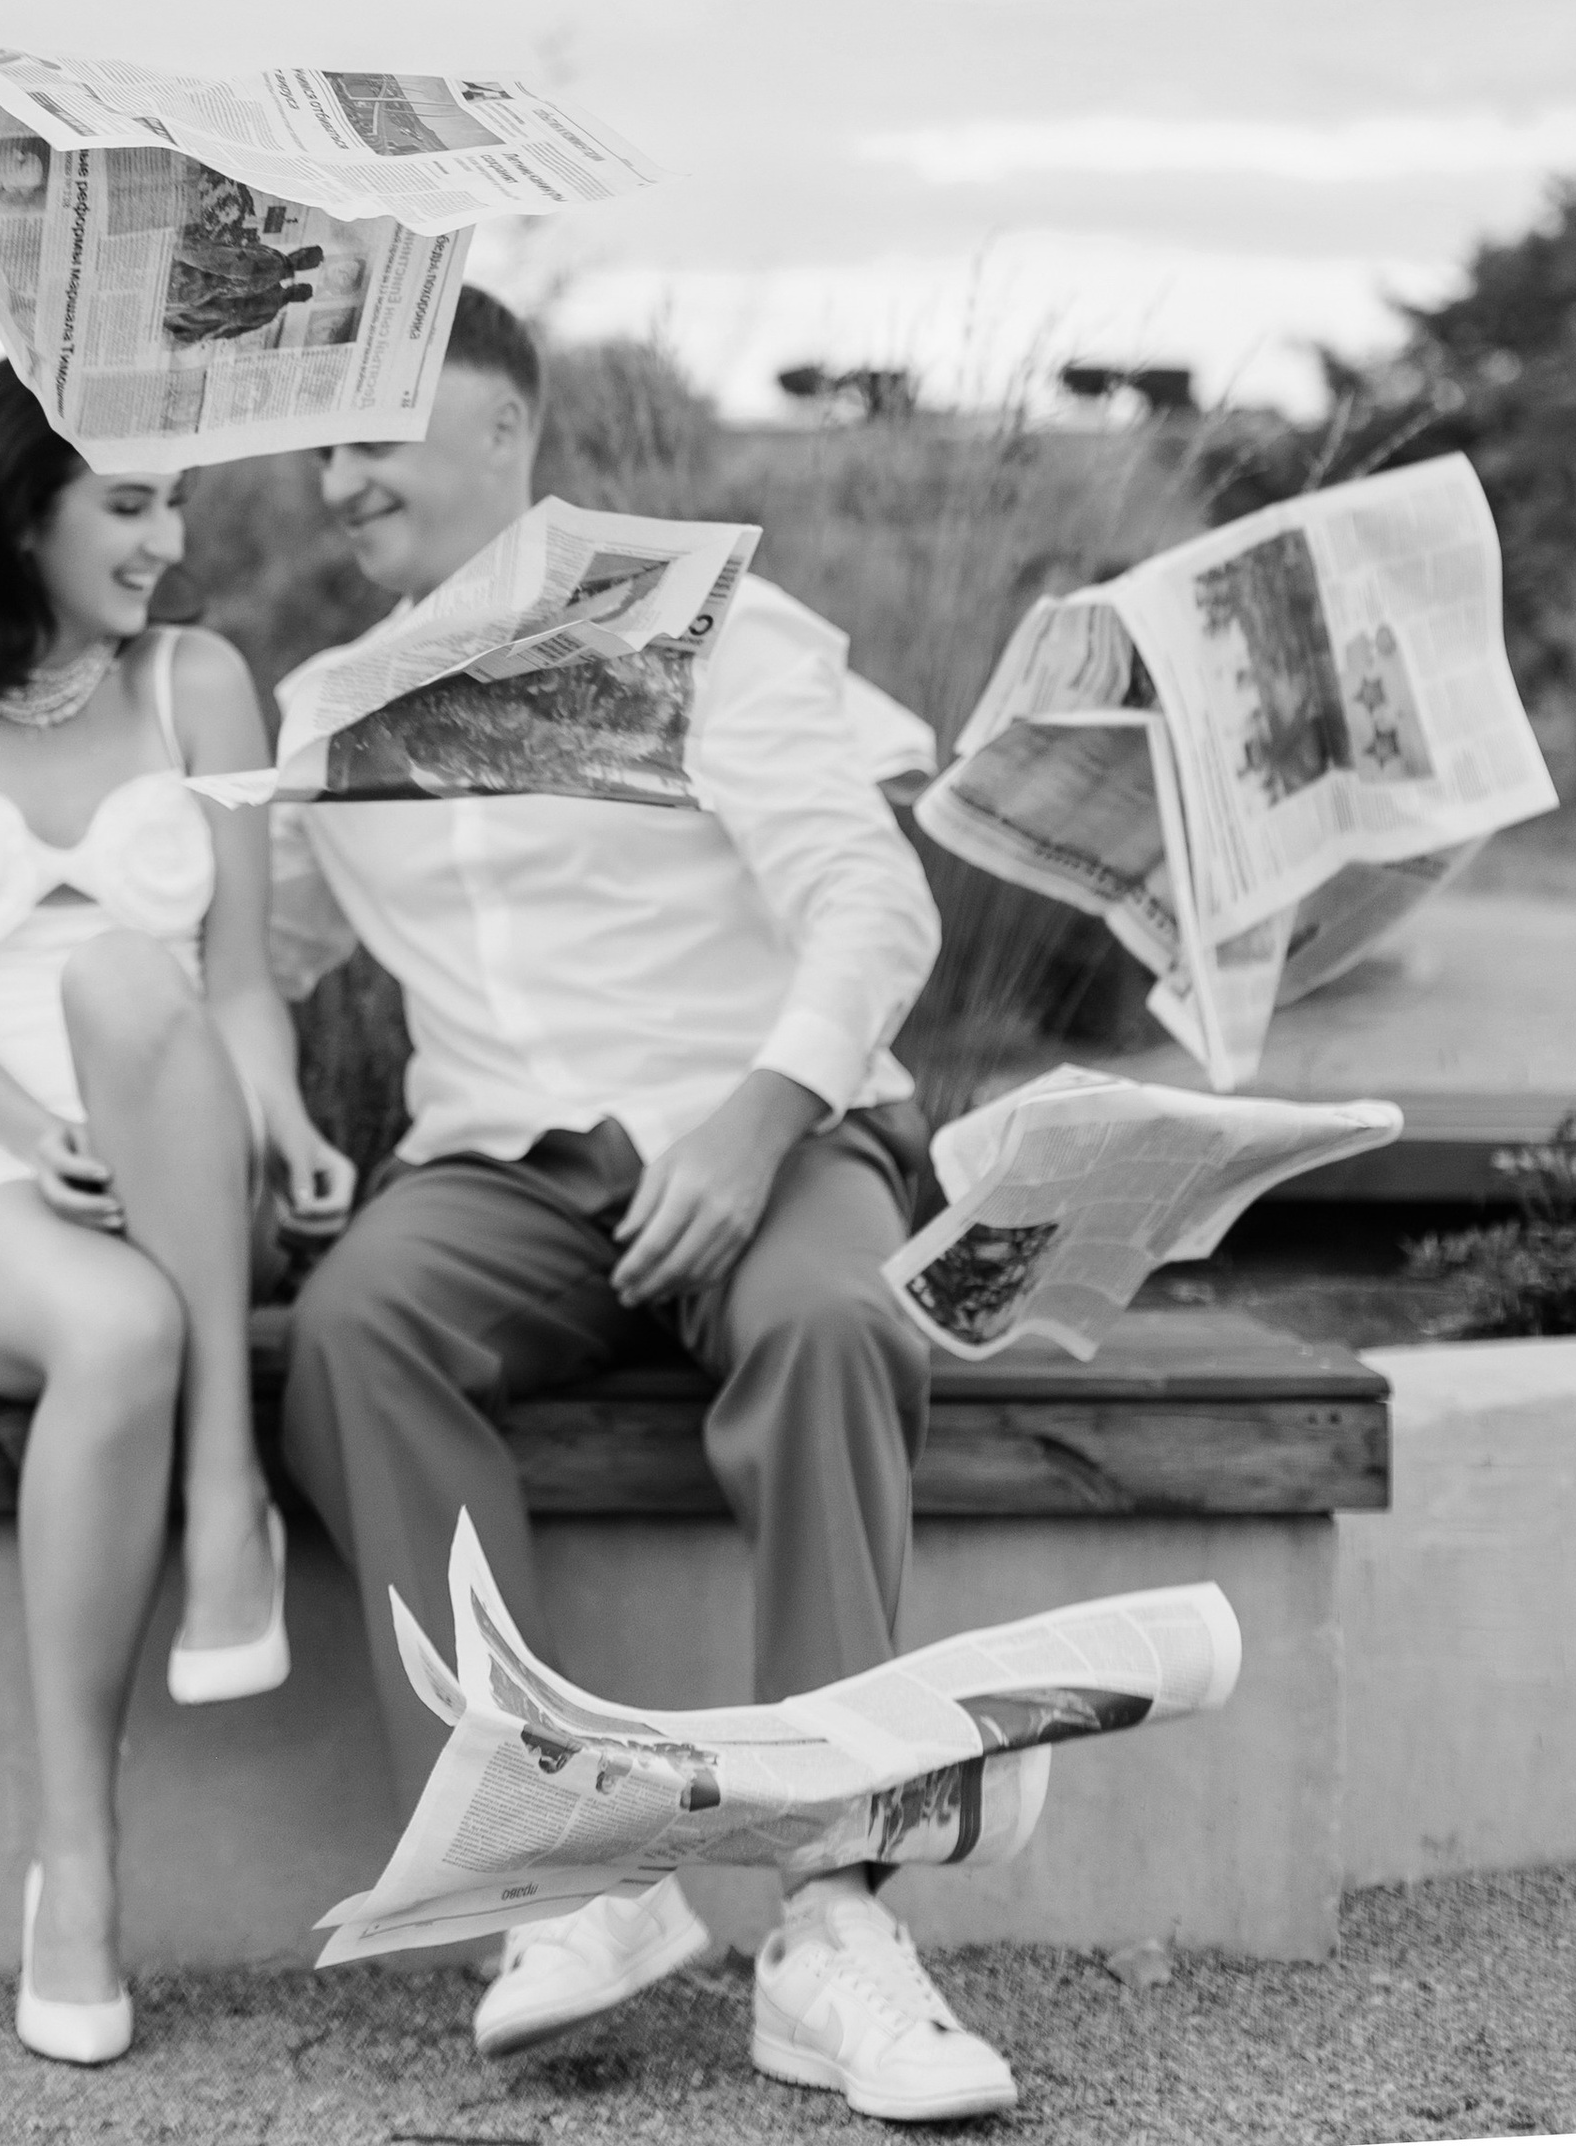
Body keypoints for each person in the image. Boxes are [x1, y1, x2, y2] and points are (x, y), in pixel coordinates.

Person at [273, 288, 1020, 2123]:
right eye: (322, 439)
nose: (340, 468)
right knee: (356, 1329)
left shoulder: (713, 623)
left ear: (504, 432)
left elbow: (874, 903)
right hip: (497, 1174)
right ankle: (560, 1883)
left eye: (379, 426)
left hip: (758, 1136)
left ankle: (832, 1924)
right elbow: (240, 958)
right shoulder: (324, 710)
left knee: (837, 1317)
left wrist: (763, 1117)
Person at [0, 361, 354, 2068]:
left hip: (180, 1139)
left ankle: (221, 1499)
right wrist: (28, 1128)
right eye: (129, 503)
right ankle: (80, 1864)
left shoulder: (203, 684)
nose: (169, 536)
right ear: (21, 507)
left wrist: (283, 1115)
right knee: (113, 1327)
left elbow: (241, 985)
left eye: (173, 500)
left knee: (136, 978)